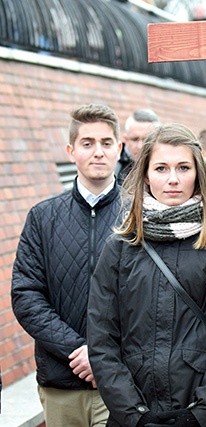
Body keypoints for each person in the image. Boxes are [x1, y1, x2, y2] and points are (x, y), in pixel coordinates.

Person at [87, 123, 206, 426]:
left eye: (183, 167)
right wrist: (134, 416)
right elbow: (102, 341)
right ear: (145, 175)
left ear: (198, 173)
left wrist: (199, 415)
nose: (172, 179)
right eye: (161, 168)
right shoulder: (119, 247)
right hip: (136, 414)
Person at [11, 103, 123, 426]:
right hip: (61, 381)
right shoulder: (43, 218)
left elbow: (151, 302)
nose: (98, 152)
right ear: (71, 150)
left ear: (119, 148)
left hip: (121, 383)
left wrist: (102, 355)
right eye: (87, 144)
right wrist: (78, 350)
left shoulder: (139, 216)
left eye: (105, 143)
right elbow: (26, 295)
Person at [117, 108, 160, 184]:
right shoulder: (112, 163)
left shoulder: (168, 164)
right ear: (125, 139)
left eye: (147, 140)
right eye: (134, 139)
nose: (140, 146)